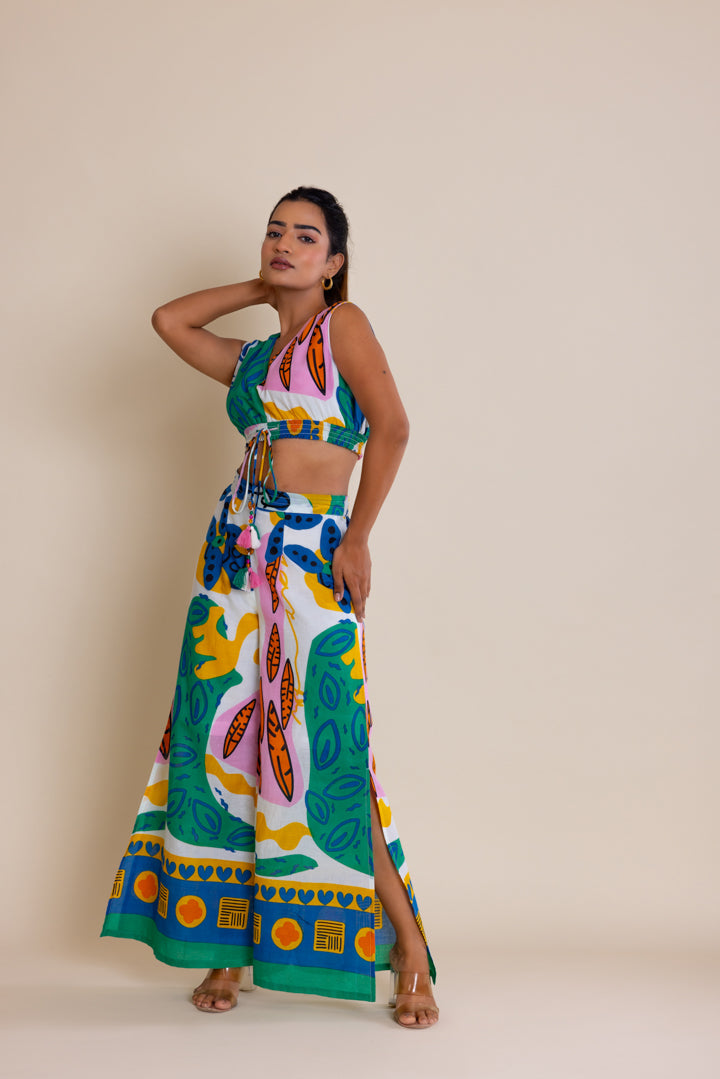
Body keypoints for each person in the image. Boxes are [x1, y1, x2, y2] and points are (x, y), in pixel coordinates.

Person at [100, 186, 439, 1029]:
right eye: (275, 232)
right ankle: (228, 945)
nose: (284, 243)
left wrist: (357, 538)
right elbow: (169, 321)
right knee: (227, 745)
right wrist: (262, 287)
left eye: (306, 237)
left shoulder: (342, 325)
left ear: (336, 262)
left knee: (327, 741)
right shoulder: (253, 359)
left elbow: (393, 427)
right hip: (231, 556)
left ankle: (407, 947)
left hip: (313, 550)